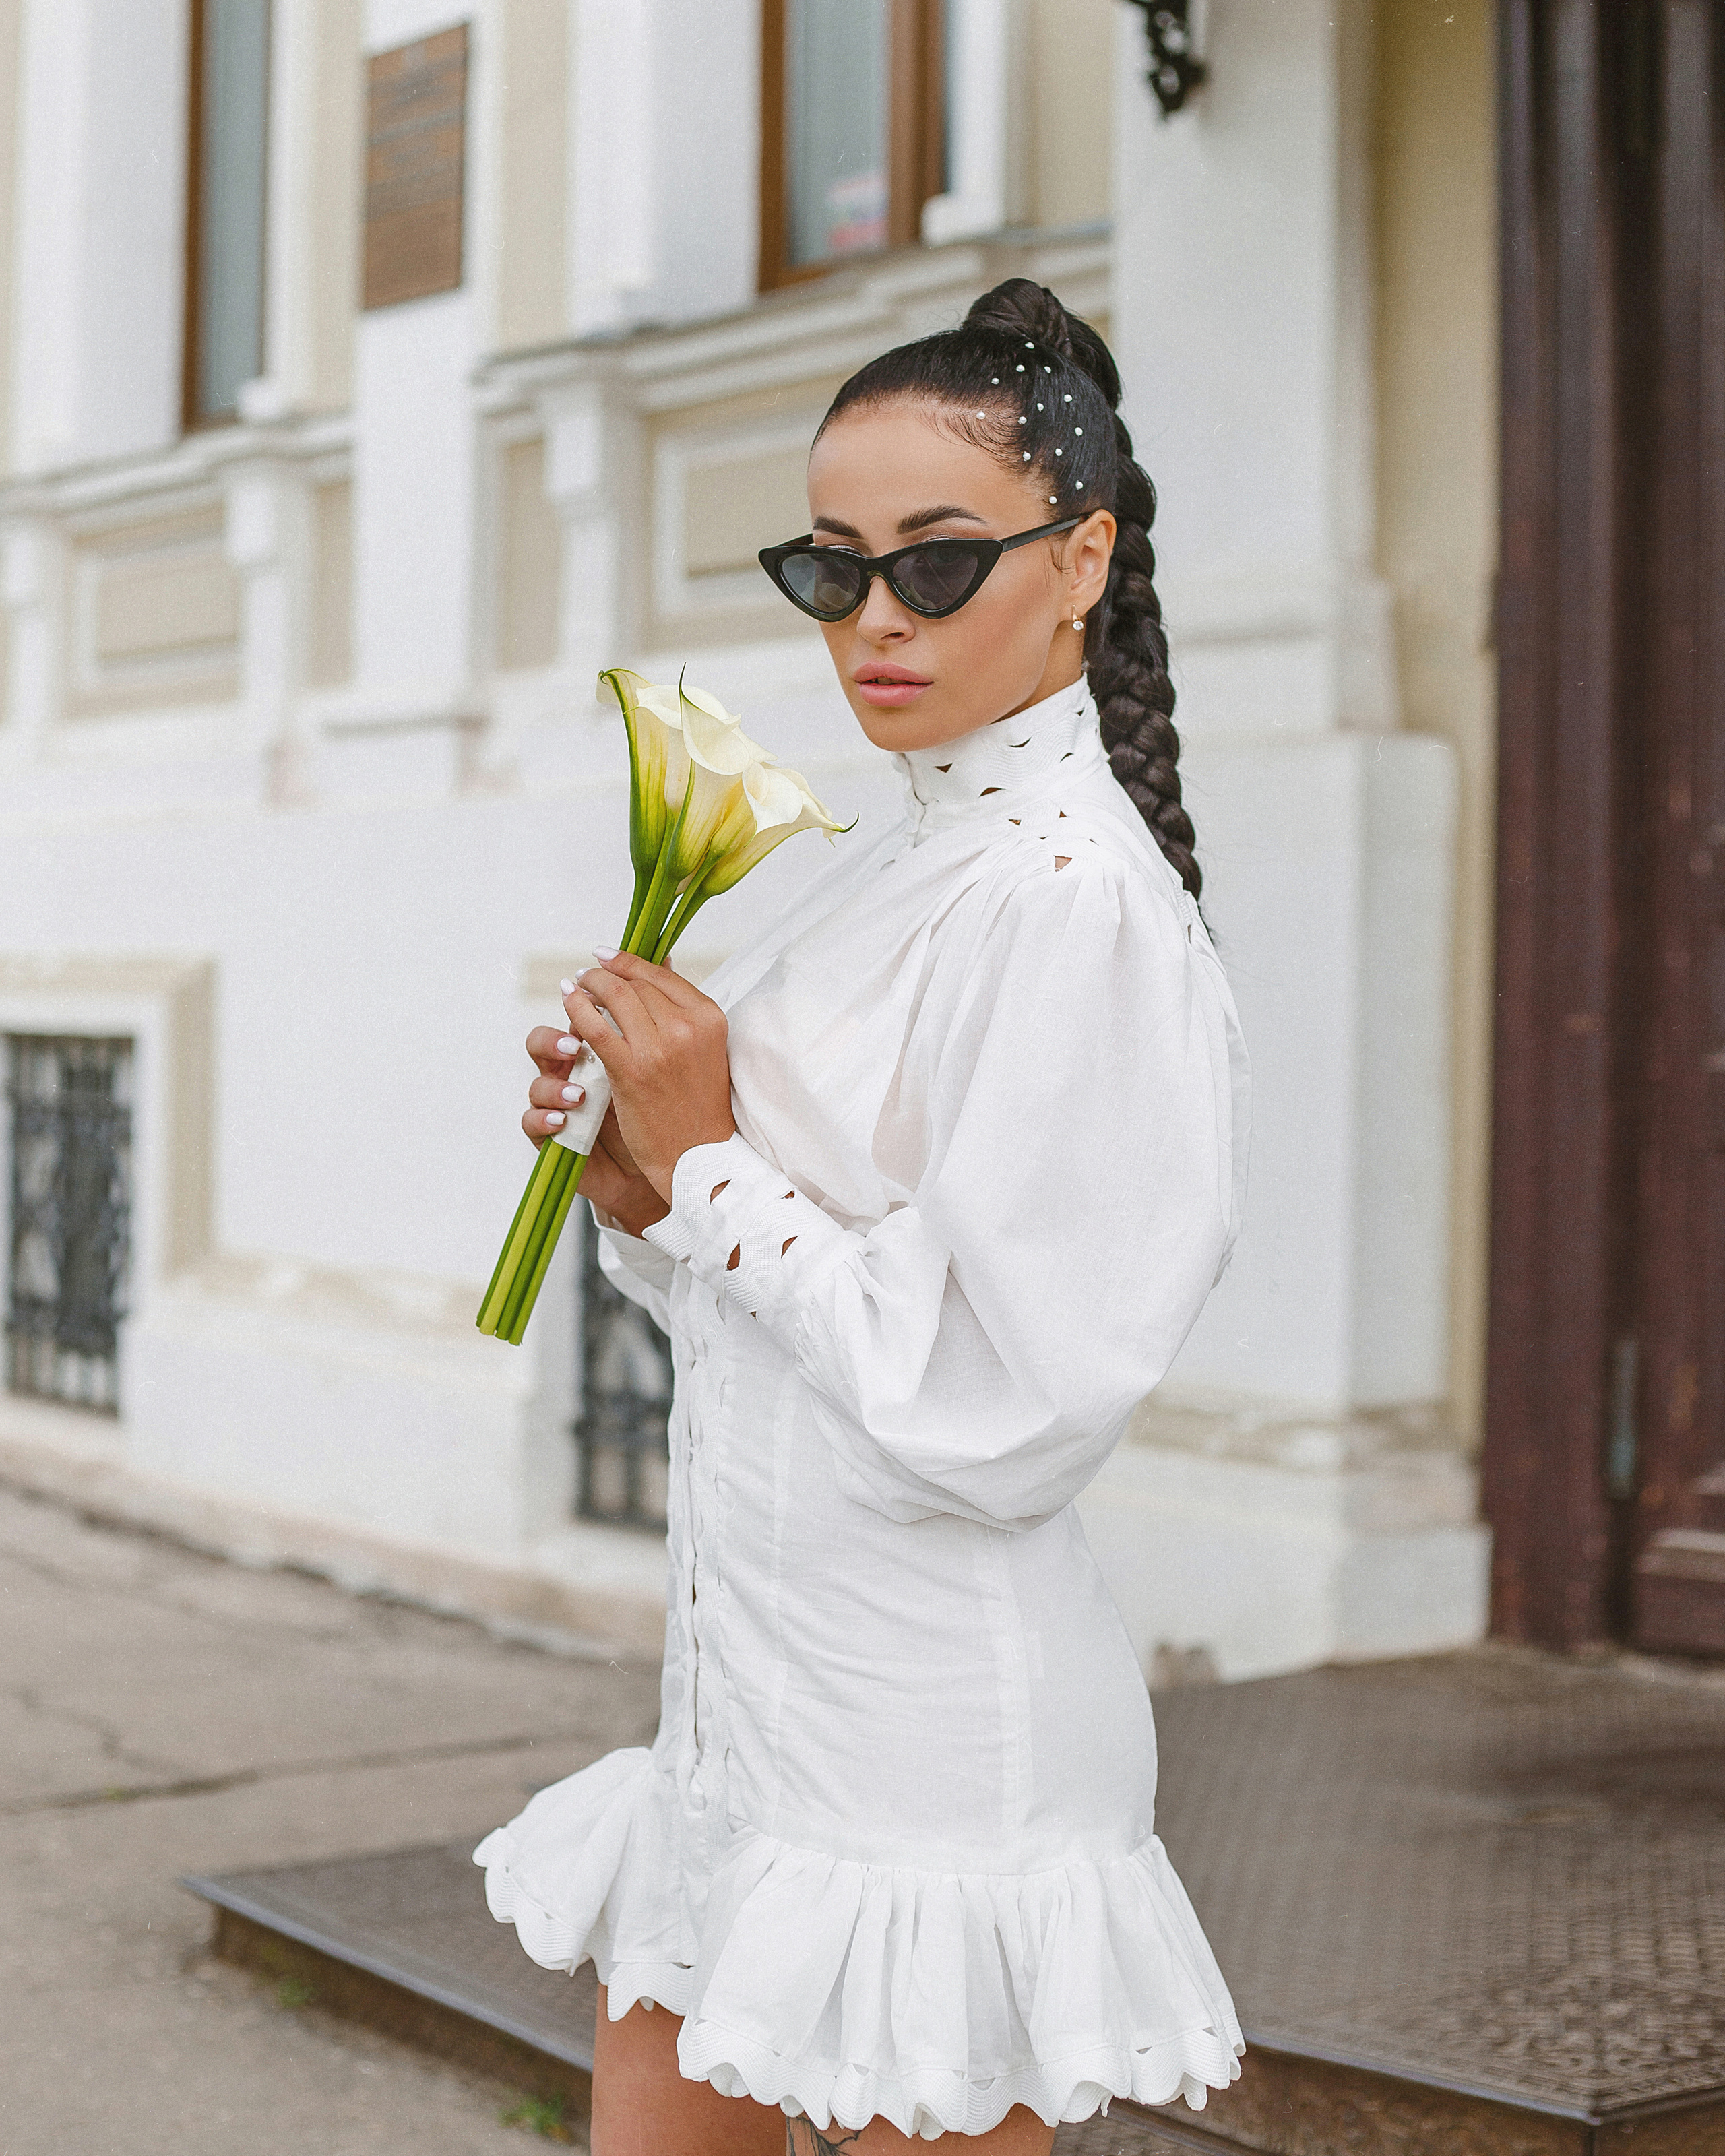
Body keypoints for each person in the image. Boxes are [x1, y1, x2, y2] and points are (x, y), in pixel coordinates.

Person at [475, 279, 1249, 2156]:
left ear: (1082, 560)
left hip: (926, 1753)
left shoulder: (1072, 909)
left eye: (934, 564)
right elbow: (777, 1297)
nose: (875, 623)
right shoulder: (907, 860)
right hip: (751, 1686)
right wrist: (640, 1175)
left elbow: (1004, 1406)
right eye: (832, 572)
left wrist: (715, 1159)